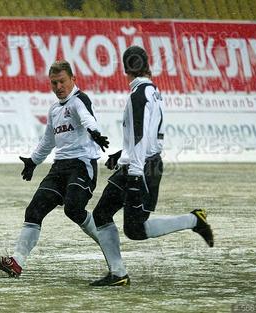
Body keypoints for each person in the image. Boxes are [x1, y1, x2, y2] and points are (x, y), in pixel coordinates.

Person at [88, 46, 214, 286]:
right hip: (141, 163)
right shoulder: (152, 91)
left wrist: (134, 175)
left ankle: (194, 220)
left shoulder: (139, 95)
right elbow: (145, 135)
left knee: (134, 229)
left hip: (141, 167)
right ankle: (118, 273)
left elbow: (139, 137)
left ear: (124, 68)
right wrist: (121, 154)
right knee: (102, 214)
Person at [0, 60, 109, 278]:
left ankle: (110, 246)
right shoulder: (54, 109)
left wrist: (95, 132)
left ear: (73, 79)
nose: (58, 87)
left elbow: (87, 117)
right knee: (33, 211)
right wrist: (33, 161)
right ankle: (16, 262)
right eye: (54, 83)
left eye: (62, 81)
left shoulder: (79, 100)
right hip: (59, 169)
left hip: (82, 165)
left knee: (73, 209)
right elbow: (48, 141)